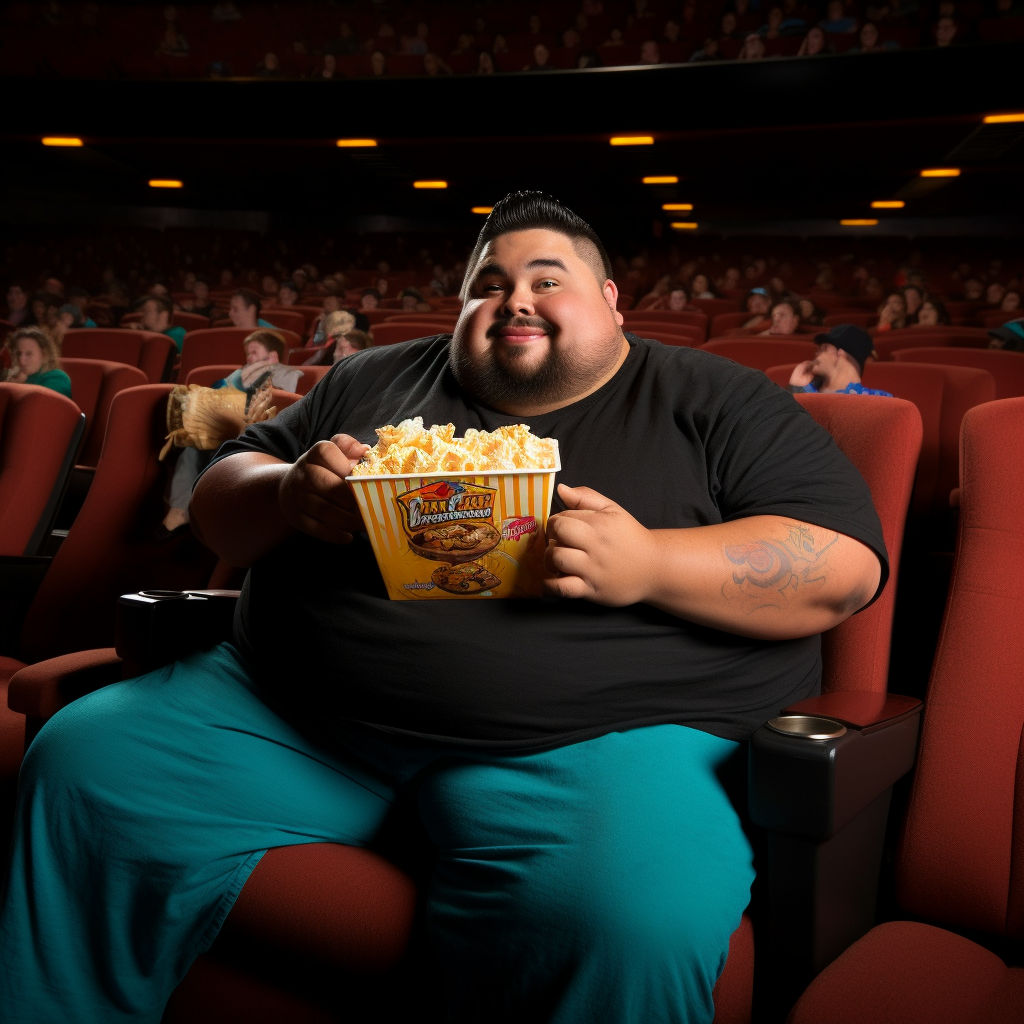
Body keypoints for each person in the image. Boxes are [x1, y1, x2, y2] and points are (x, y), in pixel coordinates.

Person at [0, 192, 887, 1024]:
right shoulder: (372, 378)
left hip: (604, 744)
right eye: (488, 286)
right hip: (291, 713)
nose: (517, 300)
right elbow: (221, 496)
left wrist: (652, 561)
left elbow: (842, 569)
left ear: (612, 302)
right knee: (84, 762)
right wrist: (286, 495)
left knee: (626, 917)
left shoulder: (717, 398)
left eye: (549, 279)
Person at [158, 329, 302, 539]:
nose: (248, 358)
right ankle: (180, 511)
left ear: (272, 356)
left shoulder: (286, 374)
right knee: (193, 445)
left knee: (225, 445)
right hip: (226, 429)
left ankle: (210, 517)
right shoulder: (240, 374)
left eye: (253, 352)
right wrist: (235, 383)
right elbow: (215, 395)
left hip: (258, 434)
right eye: (247, 354)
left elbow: (283, 404)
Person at [788, 324, 893, 395]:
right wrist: (795, 390)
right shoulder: (804, 390)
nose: (816, 354)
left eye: (823, 349)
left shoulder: (880, 401)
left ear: (841, 354)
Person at [3, 325, 73, 398]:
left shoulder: (57, 377)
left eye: (28, 354)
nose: (21, 360)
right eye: (18, 354)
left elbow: (42, 406)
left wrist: (17, 387)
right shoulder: (11, 377)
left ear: (44, 355)